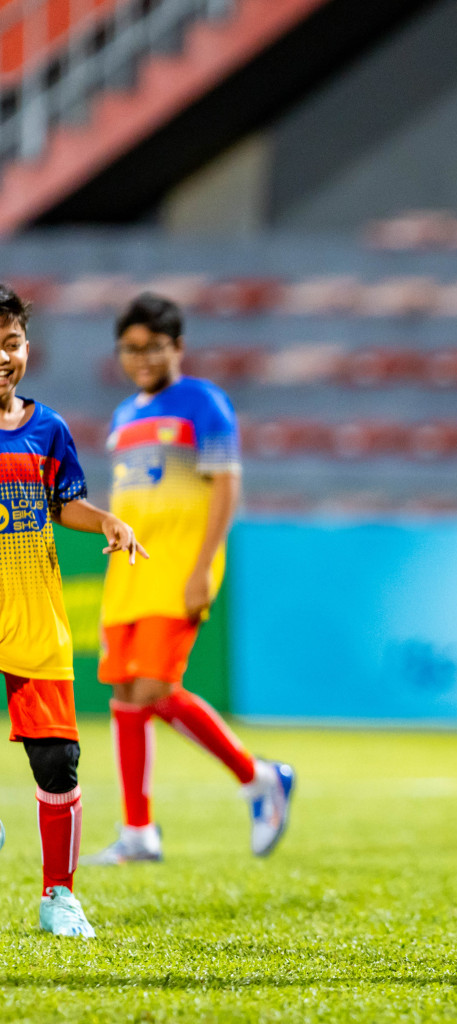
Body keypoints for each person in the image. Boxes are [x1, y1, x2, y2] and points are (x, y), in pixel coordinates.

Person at [83, 293, 294, 866]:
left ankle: (259, 778)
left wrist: (203, 567)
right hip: (129, 570)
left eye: (152, 346)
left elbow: (225, 486)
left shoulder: (204, 403)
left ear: (177, 346)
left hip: (179, 564)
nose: (141, 358)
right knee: (126, 695)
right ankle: (138, 832)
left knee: (153, 687)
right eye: (130, 348)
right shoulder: (124, 415)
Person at [0, 282, 148, 936]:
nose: (3, 357)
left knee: (57, 761)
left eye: (10, 343)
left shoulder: (48, 428)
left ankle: (59, 896)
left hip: (36, 624)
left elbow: (62, 503)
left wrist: (107, 521)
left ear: (26, 347)